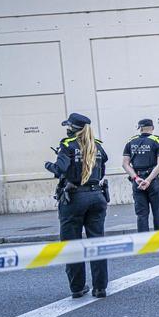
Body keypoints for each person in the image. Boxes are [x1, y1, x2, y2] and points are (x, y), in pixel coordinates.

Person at [45, 113, 111, 298]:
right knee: (97, 242)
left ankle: (78, 288)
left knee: (71, 245)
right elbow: (102, 168)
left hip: (74, 198)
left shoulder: (67, 145)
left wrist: (48, 165)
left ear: (73, 128)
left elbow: (60, 169)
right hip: (97, 196)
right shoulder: (97, 146)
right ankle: (100, 287)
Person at [122, 118, 159, 232]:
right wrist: (148, 180)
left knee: (141, 214)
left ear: (140, 128)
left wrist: (136, 178)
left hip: (137, 181)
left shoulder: (130, 141)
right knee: (158, 212)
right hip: (154, 181)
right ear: (152, 128)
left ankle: (143, 242)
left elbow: (125, 164)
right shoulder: (157, 141)